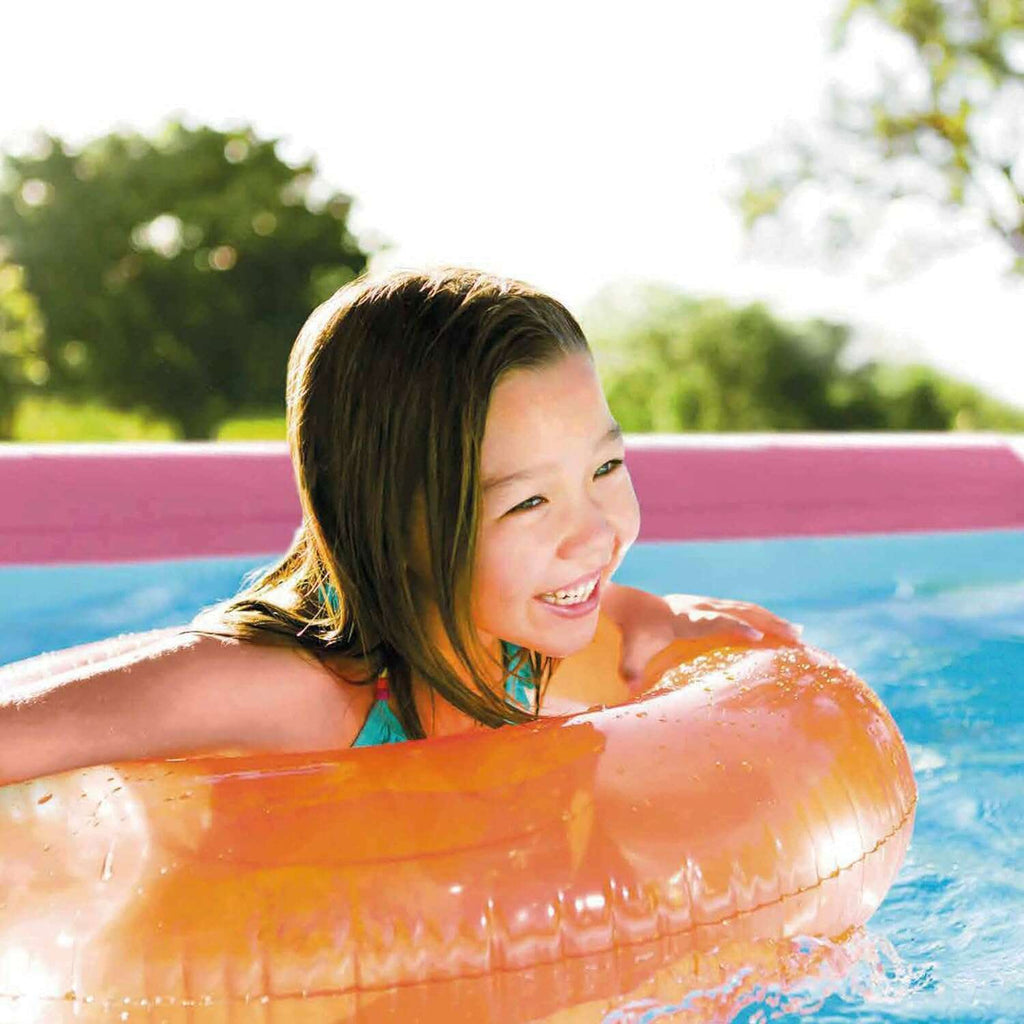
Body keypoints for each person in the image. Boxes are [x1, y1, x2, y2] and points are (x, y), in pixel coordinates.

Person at [0, 266, 799, 784]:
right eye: (528, 502)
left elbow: (618, 614)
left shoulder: (519, 647)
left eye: (605, 467)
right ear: (393, 522)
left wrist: (658, 622)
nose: (595, 535)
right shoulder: (294, 692)